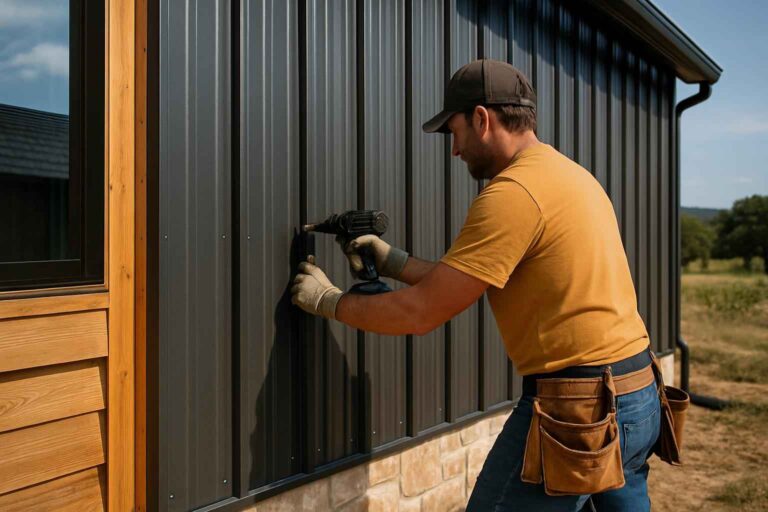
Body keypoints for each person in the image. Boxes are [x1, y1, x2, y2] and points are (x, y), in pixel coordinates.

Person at [291, 59, 661, 511]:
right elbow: (471, 280)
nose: (455, 150)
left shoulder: (514, 193)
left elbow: (420, 313)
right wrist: (393, 261)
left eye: (455, 132)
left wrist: (328, 301)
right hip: (637, 391)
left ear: (482, 119)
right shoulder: (569, 175)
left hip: (576, 410)